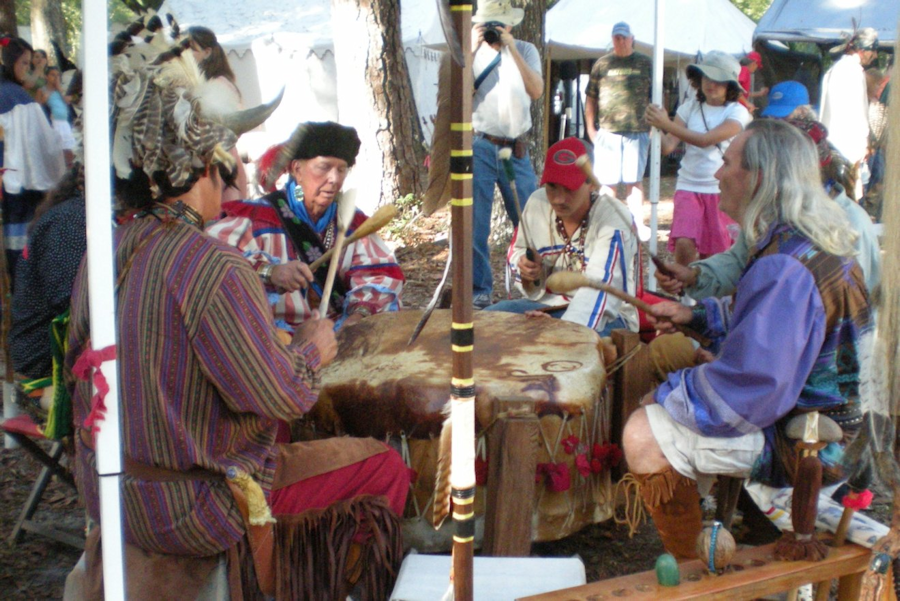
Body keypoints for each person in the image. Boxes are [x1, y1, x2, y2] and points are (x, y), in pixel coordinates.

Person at [67, 45, 409, 599]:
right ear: (207, 164)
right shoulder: (209, 262)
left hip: (113, 492)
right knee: (383, 466)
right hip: (193, 510)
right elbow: (284, 394)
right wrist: (312, 350)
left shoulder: (102, 252)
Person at [621, 119, 872, 559]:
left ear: (758, 178)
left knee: (644, 432)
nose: (717, 174)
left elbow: (752, 388)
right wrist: (694, 314)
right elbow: (764, 323)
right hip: (838, 427)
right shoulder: (801, 241)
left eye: (728, 162)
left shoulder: (784, 267)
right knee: (677, 385)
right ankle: (713, 536)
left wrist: (664, 396)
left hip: (815, 445)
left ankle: (694, 569)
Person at [655, 80, 882, 299]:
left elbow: (856, 310)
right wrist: (696, 275)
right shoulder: (773, 209)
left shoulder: (848, 223)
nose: (776, 125)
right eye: (773, 119)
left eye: (782, 119)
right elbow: (738, 260)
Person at [207, 121, 404, 333]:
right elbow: (212, 264)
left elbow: (378, 273)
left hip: (337, 334)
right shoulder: (254, 220)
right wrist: (269, 272)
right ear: (297, 169)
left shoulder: (351, 223)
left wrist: (359, 315)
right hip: (273, 341)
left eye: (341, 169)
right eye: (324, 167)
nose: (334, 178)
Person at [485, 137, 638, 336]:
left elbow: (601, 289)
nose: (558, 199)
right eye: (552, 187)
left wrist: (562, 331)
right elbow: (518, 251)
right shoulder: (537, 202)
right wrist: (527, 270)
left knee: (553, 349)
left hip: (608, 316)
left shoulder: (614, 219)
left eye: (569, 189)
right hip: (548, 305)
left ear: (591, 183)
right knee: (485, 322)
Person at [644, 51, 752, 267]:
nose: (710, 84)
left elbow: (705, 140)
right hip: (688, 184)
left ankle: (709, 295)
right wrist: (653, 124)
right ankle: (683, 290)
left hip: (720, 188)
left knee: (716, 252)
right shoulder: (688, 108)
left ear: (729, 86)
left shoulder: (738, 113)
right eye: (706, 77)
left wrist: (666, 124)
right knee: (684, 242)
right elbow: (668, 146)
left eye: (718, 80)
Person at [470, 0, 543, 309]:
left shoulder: (526, 50)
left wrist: (510, 48)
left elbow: (536, 90)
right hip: (481, 144)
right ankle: (478, 291)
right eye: (490, 24)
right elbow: (456, 95)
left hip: (516, 147)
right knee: (475, 223)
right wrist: (472, 49)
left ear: (511, 25)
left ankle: (536, 282)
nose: (495, 30)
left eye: (500, 25)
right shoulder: (471, 53)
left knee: (531, 219)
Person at [0, 37, 65, 284]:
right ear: (10, 62)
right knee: (19, 256)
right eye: (25, 63)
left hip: (9, 187)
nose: (28, 69)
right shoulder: (19, 99)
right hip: (18, 194)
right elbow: (44, 150)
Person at [10, 167, 84, 382]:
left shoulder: (75, 215)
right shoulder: (70, 221)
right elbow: (70, 303)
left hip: (52, 360)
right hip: (44, 369)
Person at [583, 22, 653, 242]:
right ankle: (605, 222)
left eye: (624, 37)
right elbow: (591, 98)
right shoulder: (602, 64)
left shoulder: (645, 63)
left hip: (637, 131)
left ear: (632, 38)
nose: (620, 41)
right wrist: (590, 129)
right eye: (617, 38)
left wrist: (654, 127)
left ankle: (637, 224)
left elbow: (658, 96)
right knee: (607, 182)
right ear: (612, 39)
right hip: (608, 132)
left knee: (634, 181)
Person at [186, 25, 248, 201]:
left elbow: (231, 130)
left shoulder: (220, 85)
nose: (185, 54)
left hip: (220, 162)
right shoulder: (190, 84)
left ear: (207, 52)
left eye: (191, 49)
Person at [819, 27, 878, 200]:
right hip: (845, 148)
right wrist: (862, 145)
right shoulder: (851, 70)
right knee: (847, 200)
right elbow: (855, 113)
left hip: (832, 146)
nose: (874, 56)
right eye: (872, 51)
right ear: (862, 49)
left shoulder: (837, 68)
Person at [43, 67, 75, 167]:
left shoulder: (61, 90)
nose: (56, 78)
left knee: (69, 149)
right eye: (53, 75)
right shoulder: (44, 91)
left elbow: (68, 101)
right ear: (46, 77)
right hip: (54, 124)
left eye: (58, 75)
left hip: (64, 122)